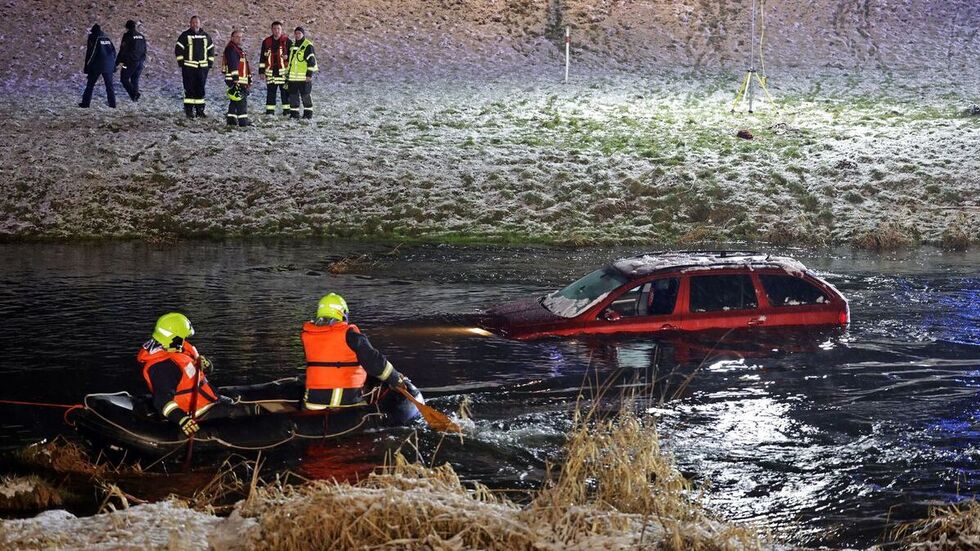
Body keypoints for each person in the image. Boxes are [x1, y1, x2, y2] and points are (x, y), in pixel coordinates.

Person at [301, 293, 408, 410]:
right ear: (342, 314)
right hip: (345, 404)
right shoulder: (351, 335)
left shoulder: (308, 336)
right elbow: (374, 361)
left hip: (312, 404)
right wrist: (396, 378)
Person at [174, 16, 214, 118]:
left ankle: (200, 111)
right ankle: (189, 111)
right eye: (193, 22)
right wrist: (181, 63)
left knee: (200, 90)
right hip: (188, 68)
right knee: (189, 90)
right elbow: (178, 49)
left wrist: (209, 63)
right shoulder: (185, 35)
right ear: (190, 23)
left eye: (196, 22)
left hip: (202, 69)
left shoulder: (206, 36)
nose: (195, 24)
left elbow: (211, 50)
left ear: (200, 24)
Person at [79, 25, 116, 108]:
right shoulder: (107, 39)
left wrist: (87, 67)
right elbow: (114, 52)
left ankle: (85, 103)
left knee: (90, 85)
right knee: (109, 86)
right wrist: (113, 65)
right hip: (109, 66)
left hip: (97, 66)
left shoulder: (94, 38)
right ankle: (112, 104)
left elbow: (91, 54)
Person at [258, 21, 291, 116]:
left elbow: (293, 57)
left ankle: (287, 112)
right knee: (271, 94)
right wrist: (261, 71)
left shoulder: (287, 41)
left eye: (278, 29)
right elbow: (262, 58)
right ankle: (270, 112)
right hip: (270, 73)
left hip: (283, 74)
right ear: (271, 30)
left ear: (281, 30)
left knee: (285, 93)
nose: (276, 31)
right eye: (275, 29)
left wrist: (287, 57)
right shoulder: (266, 42)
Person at [285, 26, 318, 120]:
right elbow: (291, 61)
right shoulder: (293, 46)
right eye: (296, 34)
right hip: (293, 78)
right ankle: (294, 115)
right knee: (293, 97)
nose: (297, 35)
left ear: (303, 34)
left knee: (305, 96)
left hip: (304, 78)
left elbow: (312, 61)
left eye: (299, 33)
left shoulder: (308, 45)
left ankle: (308, 115)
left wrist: (309, 75)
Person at [222, 29, 251, 127]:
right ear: (232, 38)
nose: (240, 39)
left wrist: (248, 78)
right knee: (241, 101)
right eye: (237, 37)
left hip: (238, 79)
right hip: (236, 79)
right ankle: (243, 122)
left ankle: (231, 120)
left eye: (241, 37)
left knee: (234, 101)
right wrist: (235, 79)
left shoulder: (236, 49)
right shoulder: (232, 49)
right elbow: (233, 64)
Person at [116, 20, 147, 102]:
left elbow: (122, 49)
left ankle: (134, 94)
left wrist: (117, 62)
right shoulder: (141, 36)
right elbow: (144, 49)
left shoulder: (127, 36)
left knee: (124, 79)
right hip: (140, 61)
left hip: (130, 62)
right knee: (135, 79)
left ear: (127, 27)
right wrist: (142, 59)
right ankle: (134, 98)